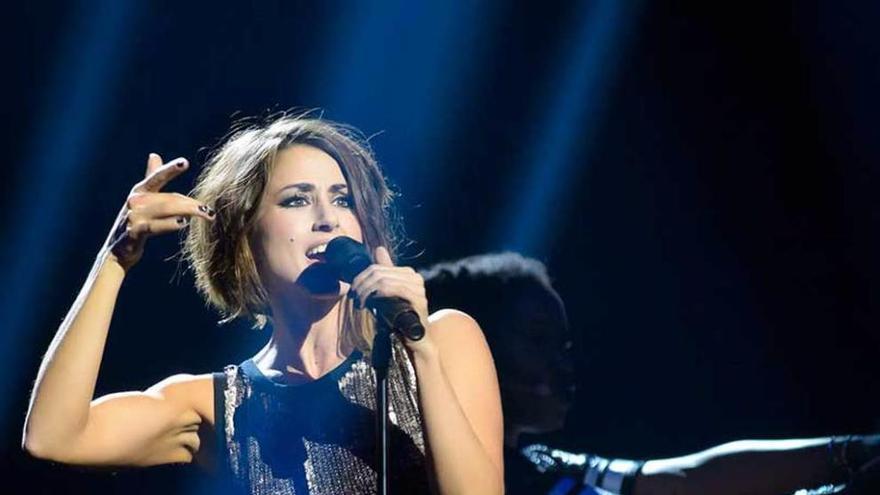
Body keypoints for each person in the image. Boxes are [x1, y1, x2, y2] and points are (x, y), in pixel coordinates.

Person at [22, 114, 504, 494]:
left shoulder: (443, 340)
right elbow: (53, 437)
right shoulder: (218, 405)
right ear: (244, 235)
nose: (327, 220)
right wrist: (115, 258)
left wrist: (420, 350)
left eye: (343, 200)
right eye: (297, 200)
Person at [421, 252, 880, 495]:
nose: (562, 366)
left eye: (563, 346)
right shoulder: (437, 473)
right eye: (538, 342)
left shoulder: (539, 466)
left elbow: (676, 481)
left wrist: (851, 456)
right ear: (478, 346)